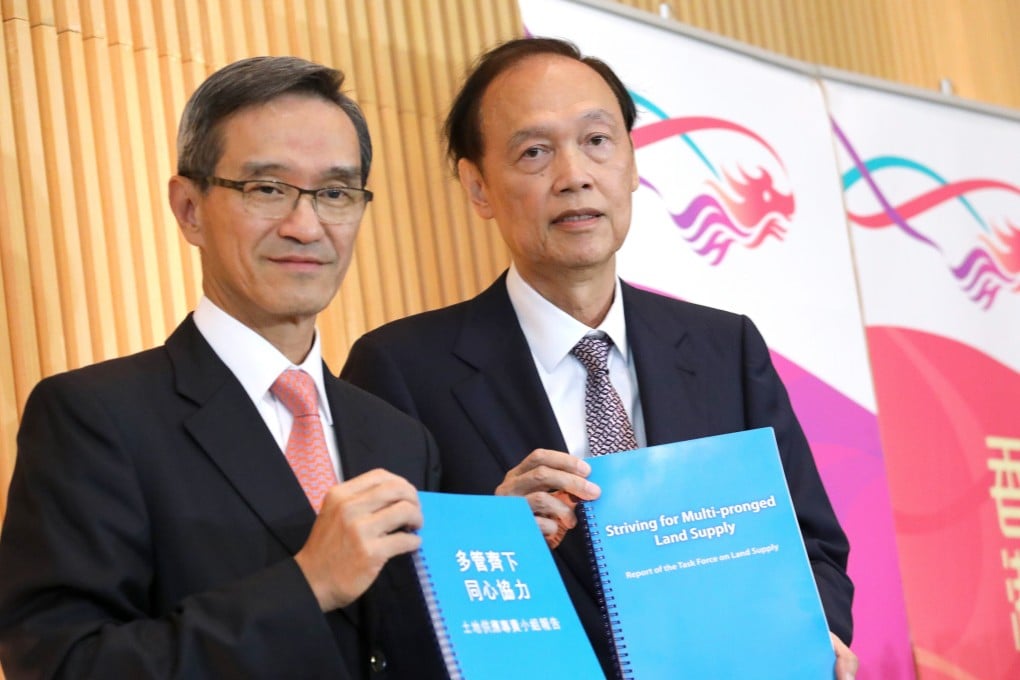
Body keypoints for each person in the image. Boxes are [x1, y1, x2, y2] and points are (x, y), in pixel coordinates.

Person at [341, 37, 858, 679]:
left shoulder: (726, 348)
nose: (574, 175)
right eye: (535, 152)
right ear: (477, 187)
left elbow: (814, 549)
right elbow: (374, 610)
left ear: (633, 164)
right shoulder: (399, 370)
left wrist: (813, 639)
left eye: (596, 140)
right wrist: (495, 541)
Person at [0, 56, 446, 679]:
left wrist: (488, 544)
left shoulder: (400, 437)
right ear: (188, 208)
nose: (305, 225)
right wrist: (306, 584)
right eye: (267, 189)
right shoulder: (93, 417)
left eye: (336, 193)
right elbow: (59, 664)